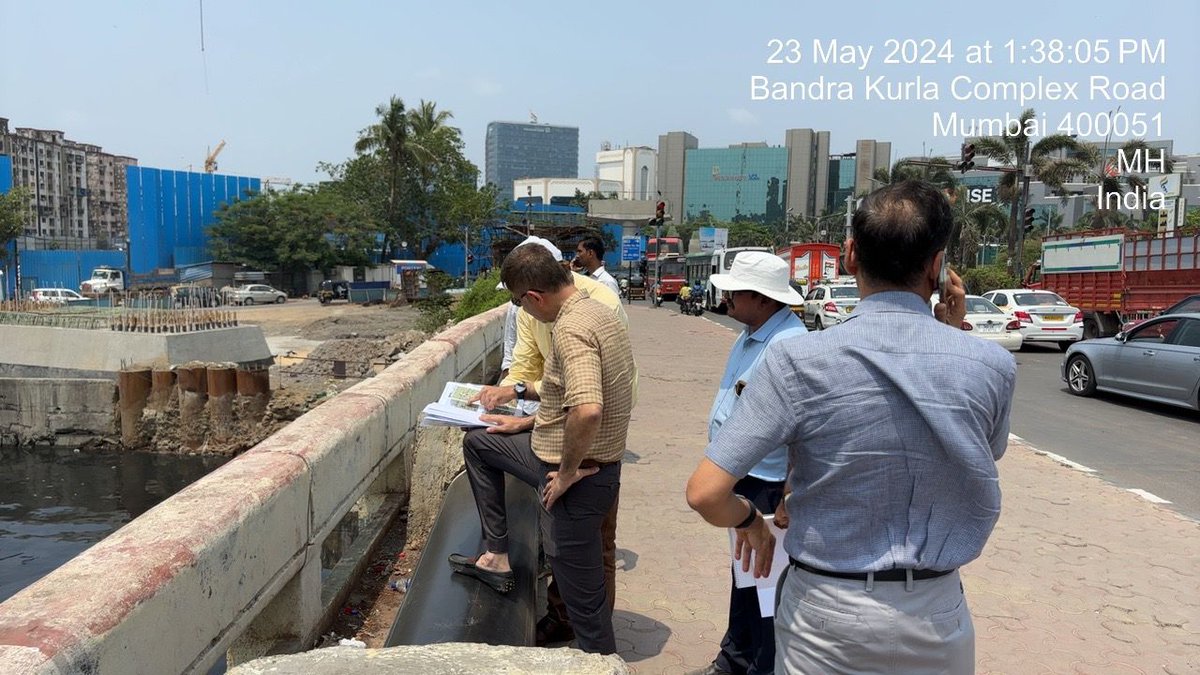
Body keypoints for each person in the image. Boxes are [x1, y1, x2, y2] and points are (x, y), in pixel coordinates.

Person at [686, 180, 1016, 674]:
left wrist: (751, 522)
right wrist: (951, 336)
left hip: (826, 614)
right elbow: (971, 454)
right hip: (936, 612)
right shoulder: (991, 365)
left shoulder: (797, 359)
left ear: (850, 255)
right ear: (937, 266)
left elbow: (705, 493)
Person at [449, 243, 635, 654]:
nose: (524, 312)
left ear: (533, 297)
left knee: (582, 598)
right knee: (480, 442)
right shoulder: (597, 311)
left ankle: (600, 661)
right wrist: (516, 400)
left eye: (520, 304)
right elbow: (563, 392)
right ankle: (496, 554)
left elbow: (587, 410)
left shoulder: (570, 330)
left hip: (574, 477)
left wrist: (568, 472)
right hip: (568, 457)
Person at [689, 252, 806, 675]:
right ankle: (734, 658)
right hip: (743, 475)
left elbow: (800, 429)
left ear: (761, 298)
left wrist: (789, 492)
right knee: (746, 576)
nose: (727, 297)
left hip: (768, 484)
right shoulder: (753, 333)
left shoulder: (787, 346)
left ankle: (758, 664)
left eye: (736, 291)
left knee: (765, 587)